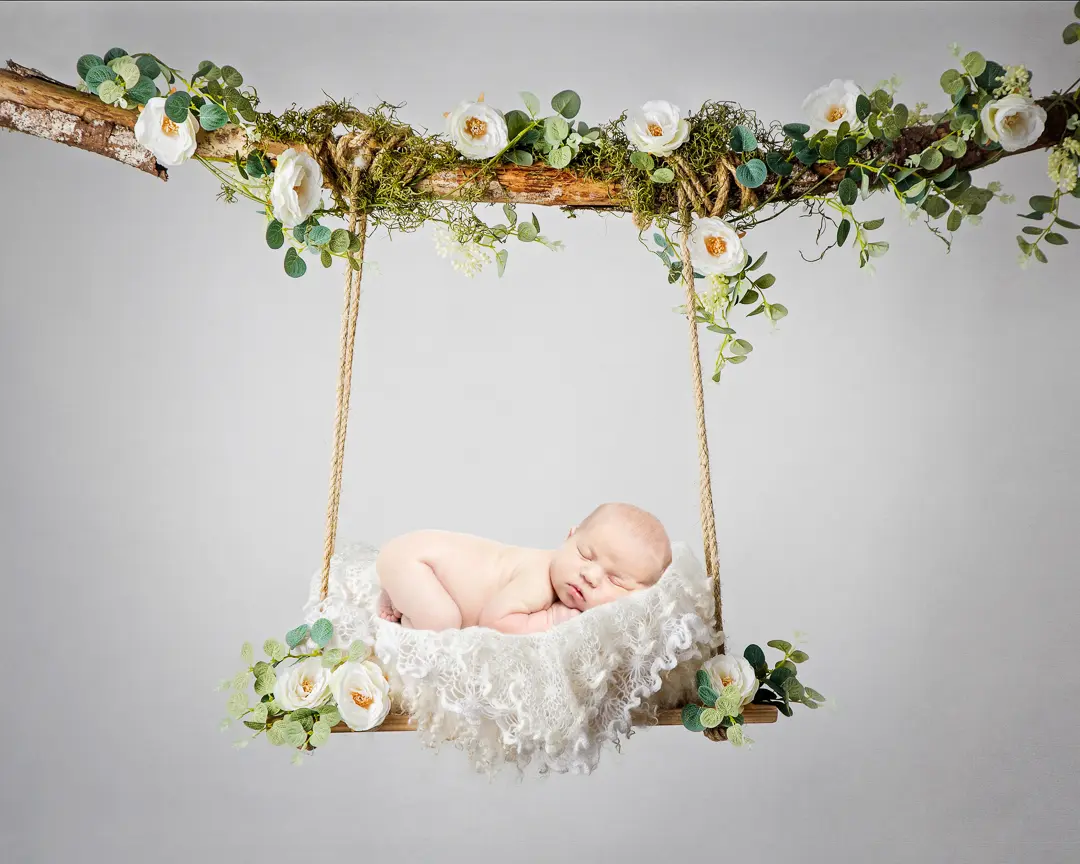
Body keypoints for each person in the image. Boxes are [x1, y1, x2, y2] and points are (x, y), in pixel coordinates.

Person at [375, 503, 672, 634]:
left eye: (616, 581)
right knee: (441, 623)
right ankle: (402, 617)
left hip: (422, 566)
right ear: (569, 537)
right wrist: (553, 618)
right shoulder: (538, 578)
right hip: (417, 562)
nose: (591, 576)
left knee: (440, 613)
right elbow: (495, 621)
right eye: (584, 554)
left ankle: (401, 595)